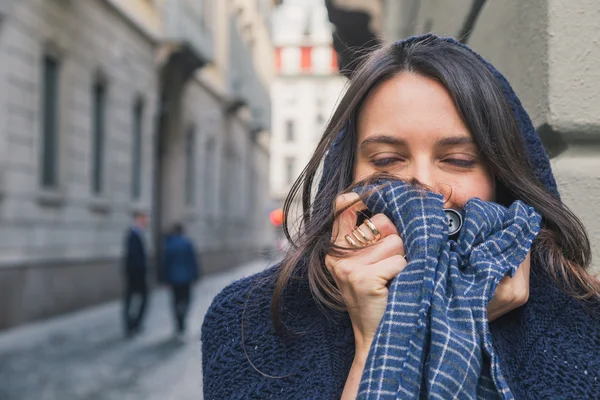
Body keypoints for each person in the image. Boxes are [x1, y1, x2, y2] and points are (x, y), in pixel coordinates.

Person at [201, 35, 600, 399]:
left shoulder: (582, 325)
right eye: (387, 160)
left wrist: (459, 321)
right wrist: (377, 344)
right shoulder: (247, 322)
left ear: (501, 177)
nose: (423, 184)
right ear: (347, 176)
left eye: (458, 160)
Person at [163, 223, 200, 336]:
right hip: (186, 278)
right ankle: (183, 319)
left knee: (175, 300)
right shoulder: (187, 243)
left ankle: (178, 323)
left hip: (174, 278)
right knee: (186, 299)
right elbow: (193, 261)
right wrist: (196, 276)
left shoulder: (169, 244)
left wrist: (165, 278)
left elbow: (166, 264)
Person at [123, 210, 149, 337]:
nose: (146, 221)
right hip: (135, 275)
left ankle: (134, 324)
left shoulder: (138, 234)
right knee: (133, 299)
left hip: (137, 274)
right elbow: (132, 257)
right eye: (143, 218)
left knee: (137, 299)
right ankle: (131, 324)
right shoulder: (133, 235)